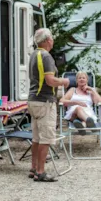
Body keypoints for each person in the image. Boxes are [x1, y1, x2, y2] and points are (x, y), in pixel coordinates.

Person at [28, 28, 70, 182]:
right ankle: (40, 172)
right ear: (46, 41)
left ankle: (33, 168)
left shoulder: (33, 54)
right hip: (45, 101)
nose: (53, 40)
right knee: (46, 137)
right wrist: (64, 81)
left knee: (36, 137)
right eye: (51, 38)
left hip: (33, 100)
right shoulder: (46, 57)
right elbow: (50, 81)